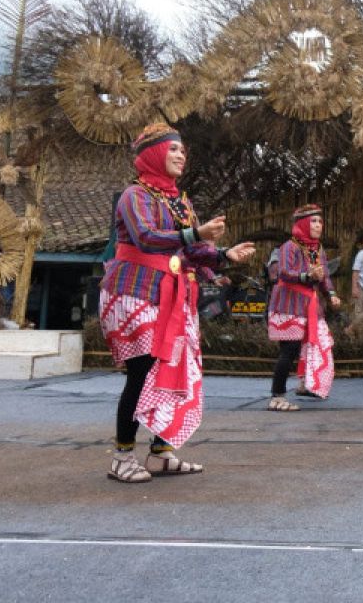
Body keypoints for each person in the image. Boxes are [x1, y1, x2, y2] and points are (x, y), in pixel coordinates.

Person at [99, 123, 256, 482]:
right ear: (153, 154)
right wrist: (195, 234)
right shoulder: (133, 196)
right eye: (172, 149)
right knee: (141, 373)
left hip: (173, 295)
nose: (181, 154)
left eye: (182, 150)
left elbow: (194, 249)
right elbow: (147, 237)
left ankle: (160, 452)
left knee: (174, 371)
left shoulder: (179, 200)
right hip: (135, 292)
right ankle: (122, 456)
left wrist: (225, 254)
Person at [265, 205, 341, 411]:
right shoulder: (289, 247)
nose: (318, 225)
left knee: (315, 344)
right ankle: (277, 397)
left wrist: (331, 295)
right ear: (302, 224)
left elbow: (323, 275)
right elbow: (283, 272)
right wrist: (306, 276)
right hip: (288, 305)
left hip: (309, 306)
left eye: (320, 221)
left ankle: (306, 384)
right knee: (289, 350)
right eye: (313, 221)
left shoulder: (318, 249)